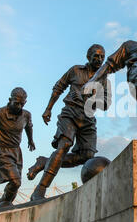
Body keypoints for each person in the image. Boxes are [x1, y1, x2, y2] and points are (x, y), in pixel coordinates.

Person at [29, 44, 111, 201]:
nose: (99, 59)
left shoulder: (103, 78)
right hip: (70, 113)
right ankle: (39, 190)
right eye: (96, 56)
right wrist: (48, 109)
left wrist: (93, 98)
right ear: (88, 57)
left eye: (102, 57)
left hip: (88, 118)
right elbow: (59, 87)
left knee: (87, 156)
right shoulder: (75, 70)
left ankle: (44, 162)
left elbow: (106, 103)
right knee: (64, 146)